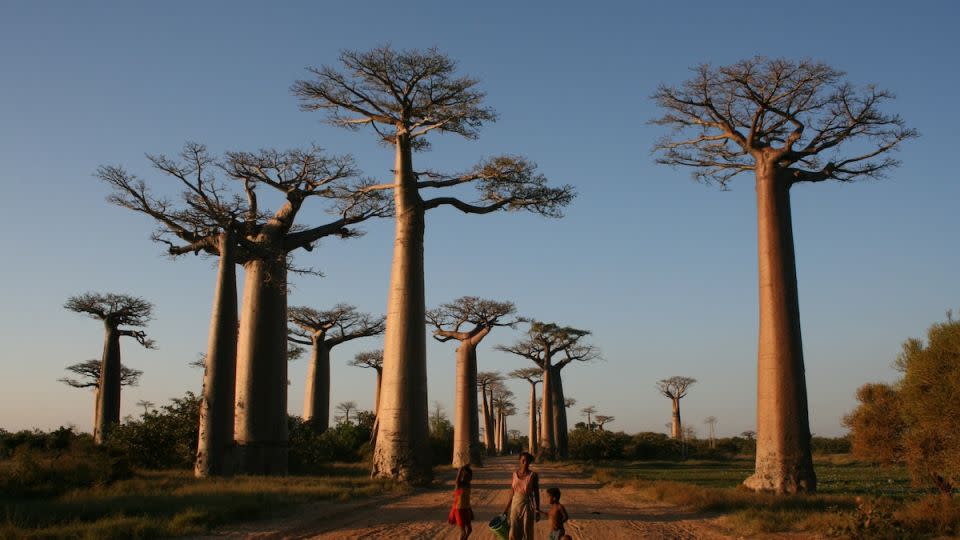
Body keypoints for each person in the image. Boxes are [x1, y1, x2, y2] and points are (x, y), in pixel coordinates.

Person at [501, 452, 540, 540]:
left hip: (528, 506)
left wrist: (537, 510)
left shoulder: (533, 475)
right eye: (523, 460)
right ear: (519, 461)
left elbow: (536, 493)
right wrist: (506, 509)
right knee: (513, 530)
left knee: (527, 531)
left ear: (530, 462)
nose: (525, 463)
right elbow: (512, 493)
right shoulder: (514, 474)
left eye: (527, 461)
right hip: (515, 505)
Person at [448, 465, 474, 539]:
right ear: (463, 476)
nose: (469, 478)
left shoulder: (468, 485)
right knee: (463, 532)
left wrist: (470, 509)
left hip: (466, 508)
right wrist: (460, 469)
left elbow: (467, 499)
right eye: (467, 476)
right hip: (458, 510)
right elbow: (457, 480)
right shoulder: (458, 485)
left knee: (469, 530)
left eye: (470, 477)